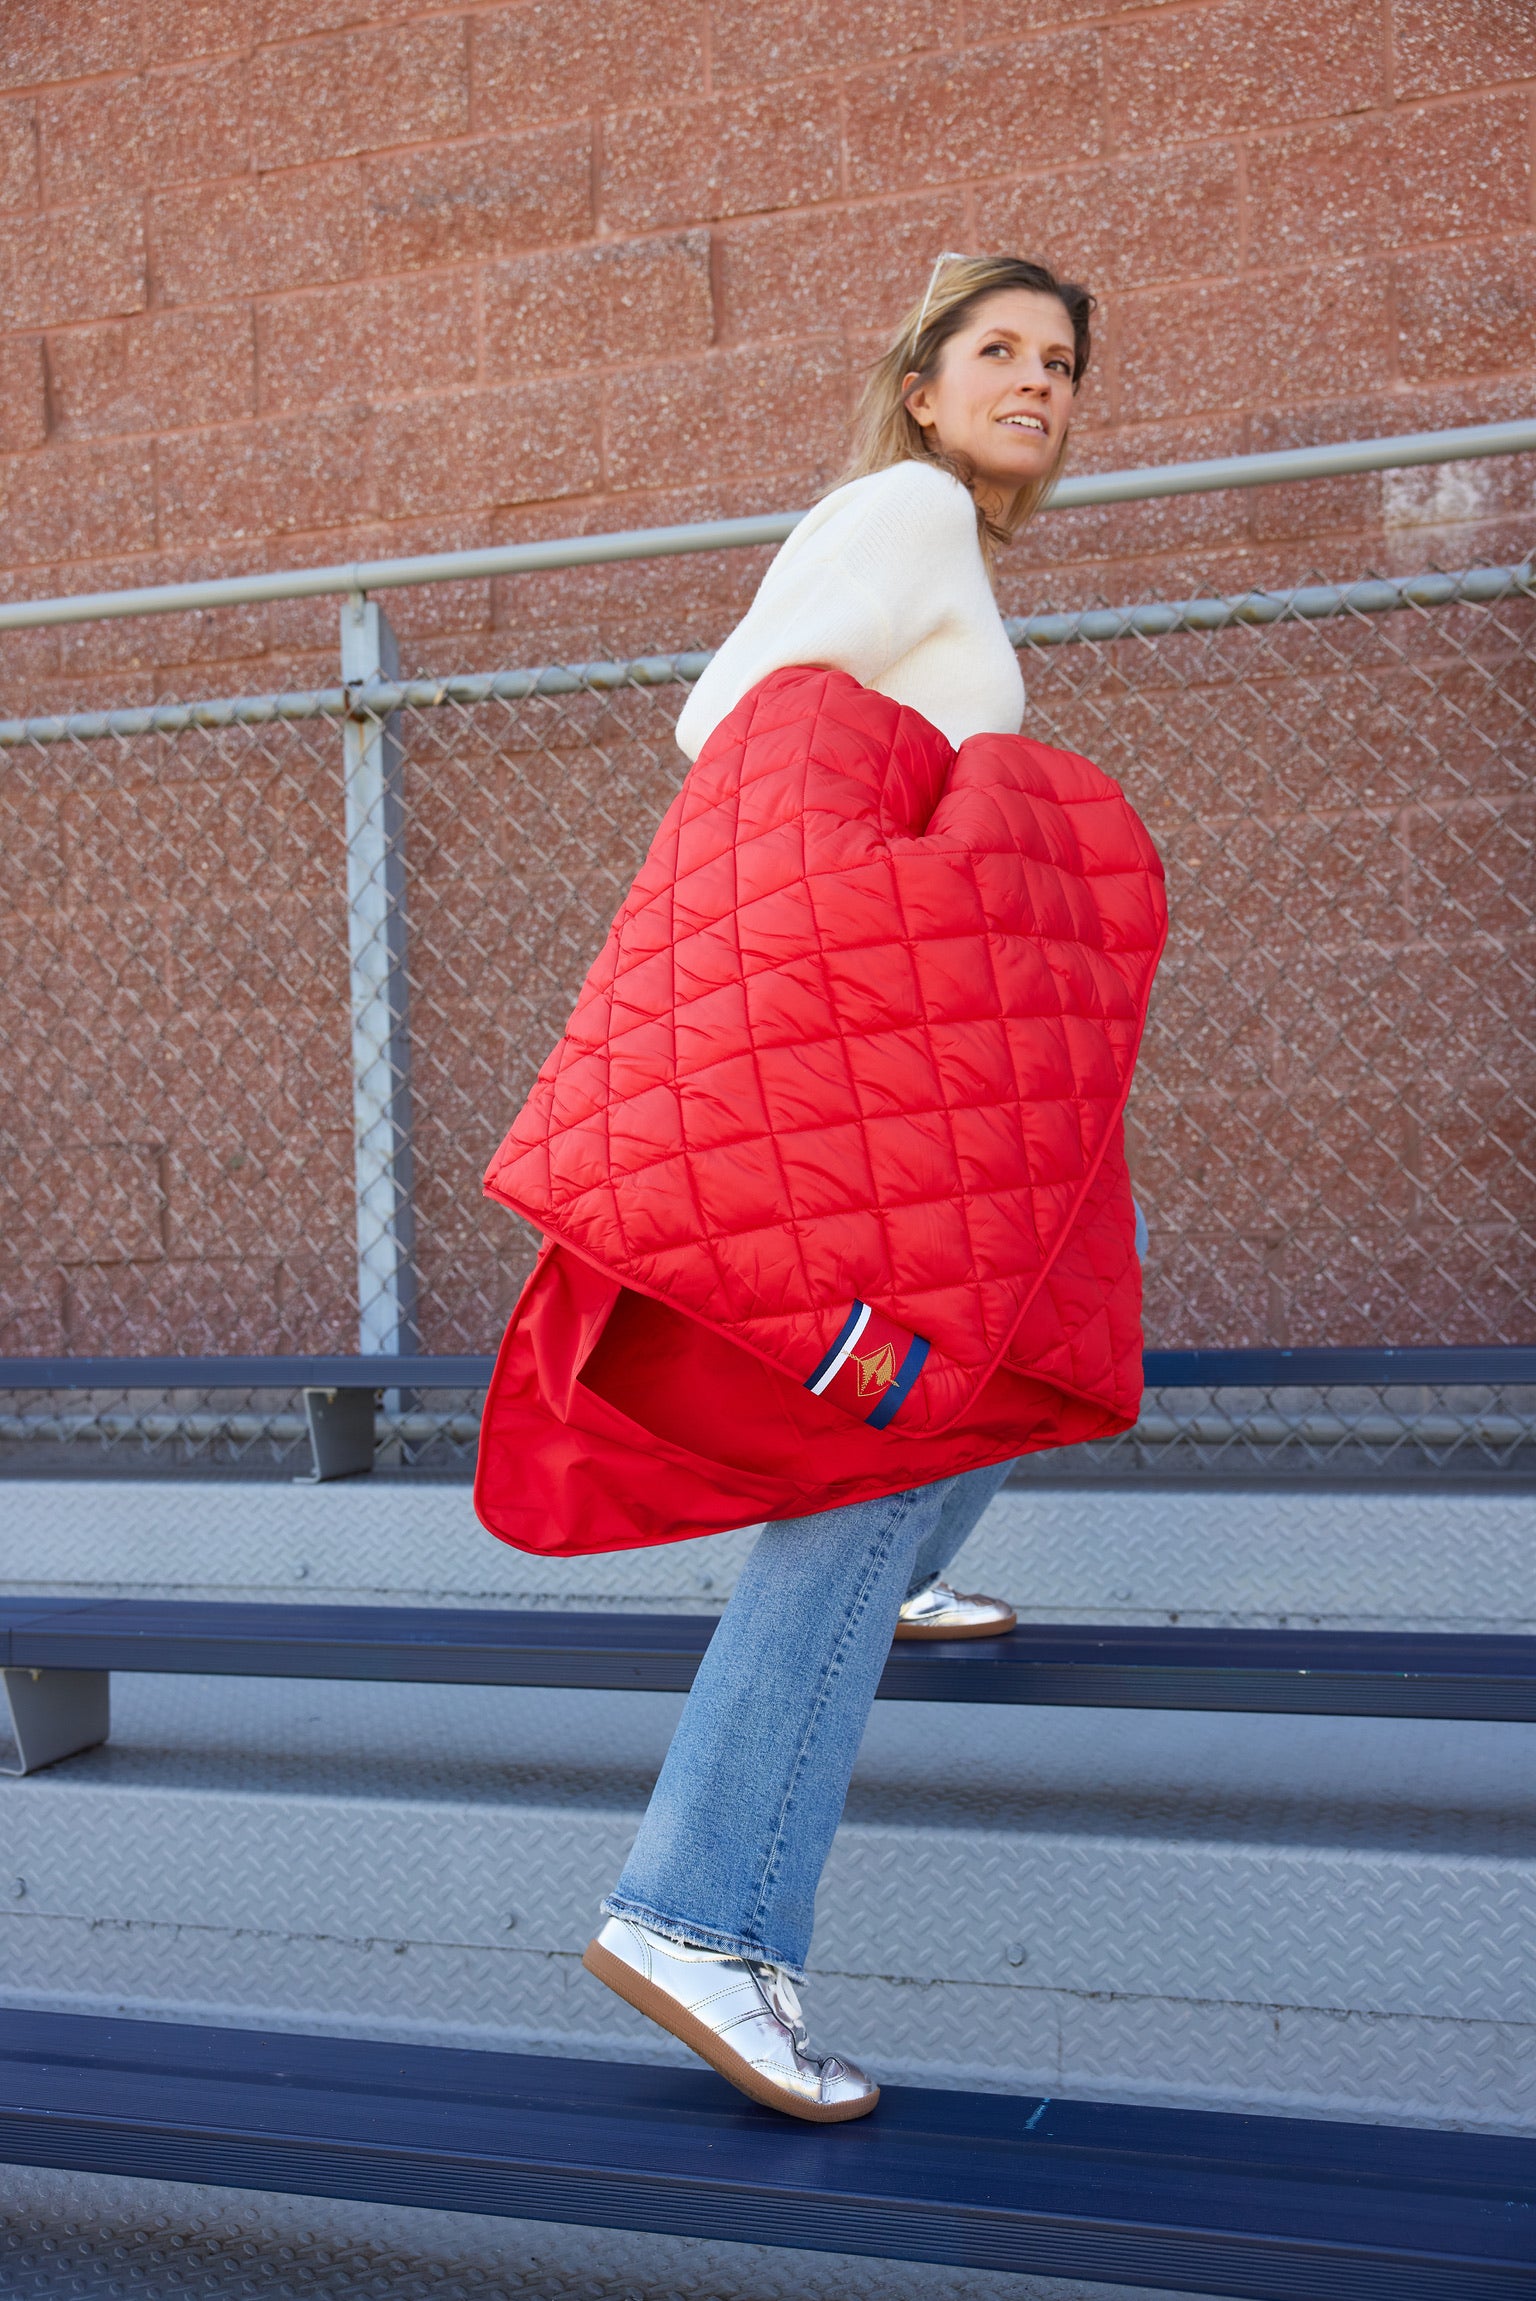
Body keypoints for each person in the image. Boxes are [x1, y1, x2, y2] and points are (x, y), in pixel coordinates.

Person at [581, 254, 1100, 2124]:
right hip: (889, 1063)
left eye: (1062, 362)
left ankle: (911, 1570)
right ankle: (698, 1914)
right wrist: (896, 923)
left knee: (1064, 1294)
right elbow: (731, 716)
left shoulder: (936, 537)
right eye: (999, 351)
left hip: (937, 1064)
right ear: (923, 383)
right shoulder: (906, 510)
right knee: (890, 1431)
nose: (1037, 381)